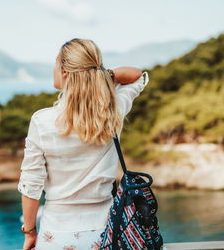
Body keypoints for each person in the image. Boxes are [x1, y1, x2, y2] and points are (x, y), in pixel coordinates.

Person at [18, 38, 149, 250]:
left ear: (65, 73)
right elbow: (136, 78)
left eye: (56, 63)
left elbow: (31, 185)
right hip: (107, 232)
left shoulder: (42, 122)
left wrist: (30, 231)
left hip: (56, 235)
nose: (54, 68)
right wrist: (104, 75)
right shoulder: (113, 113)